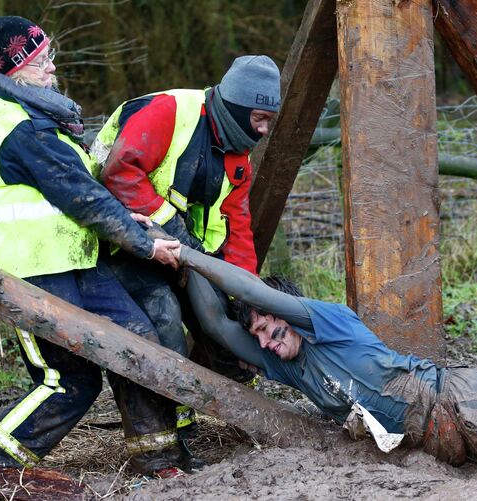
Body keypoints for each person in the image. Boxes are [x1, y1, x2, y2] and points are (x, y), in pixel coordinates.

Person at [153, 238, 477, 481]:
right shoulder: (288, 365)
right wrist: (180, 247)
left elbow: (249, 290)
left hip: (461, 400)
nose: (265, 342)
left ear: (284, 311)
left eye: (268, 326)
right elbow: (219, 328)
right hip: (442, 444)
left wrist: (195, 258)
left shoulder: (325, 319)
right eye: (260, 336)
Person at [0, 16, 190, 480]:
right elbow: (84, 200)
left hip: (74, 259)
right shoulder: (26, 128)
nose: (51, 67)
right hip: (28, 272)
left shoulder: (34, 113)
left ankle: (157, 457)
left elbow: (76, 192)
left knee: (135, 344)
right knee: (70, 380)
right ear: (13, 69)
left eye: (50, 56)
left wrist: (129, 221)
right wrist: (146, 244)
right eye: (40, 60)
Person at [89, 55, 281, 465]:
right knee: (161, 320)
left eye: (270, 120)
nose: (265, 131)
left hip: (182, 254)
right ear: (239, 109)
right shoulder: (169, 112)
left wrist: (244, 293)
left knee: (224, 329)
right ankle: (159, 451)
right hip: (116, 240)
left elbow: (237, 225)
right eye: (261, 119)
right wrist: (175, 236)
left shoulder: (237, 153)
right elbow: (120, 173)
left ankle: (195, 416)